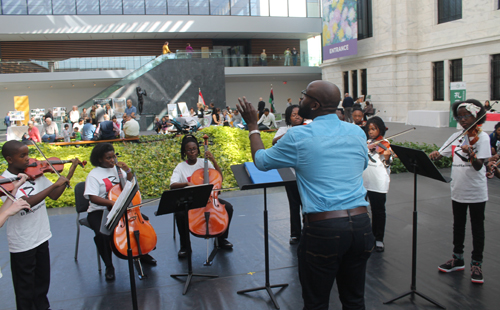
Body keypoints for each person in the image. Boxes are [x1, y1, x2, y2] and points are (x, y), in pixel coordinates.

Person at [237, 80, 373, 309]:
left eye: (304, 96)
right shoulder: (356, 132)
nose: (301, 100)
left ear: (316, 104)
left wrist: (252, 126)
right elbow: (360, 166)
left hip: (324, 230)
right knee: (354, 301)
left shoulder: (298, 136)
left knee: (316, 303)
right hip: (361, 225)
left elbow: (261, 161)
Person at [1, 140, 78, 310]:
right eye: (22, 156)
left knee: (42, 281)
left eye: (28, 154)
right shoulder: (5, 183)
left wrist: (70, 172)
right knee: (25, 288)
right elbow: (25, 203)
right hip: (22, 242)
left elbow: (55, 195)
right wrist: (53, 186)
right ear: (10, 159)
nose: (28, 159)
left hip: (41, 235)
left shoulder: (36, 174)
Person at [429, 99, 489, 284]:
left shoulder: (483, 137)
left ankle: (476, 264)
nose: (462, 119)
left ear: (476, 116)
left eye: (467, 115)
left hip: (476, 191)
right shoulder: (456, 136)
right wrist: (436, 155)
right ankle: (458, 259)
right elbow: (442, 152)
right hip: (458, 190)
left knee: (477, 229)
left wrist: (472, 154)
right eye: (460, 116)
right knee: (458, 226)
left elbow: (480, 167)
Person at [84, 143, 157, 282]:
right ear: (100, 159)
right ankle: (109, 266)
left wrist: (127, 170)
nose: (112, 160)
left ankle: (142, 253)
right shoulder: (93, 175)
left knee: (142, 223)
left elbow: (129, 184)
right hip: (100, 211)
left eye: (113, 157)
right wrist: (112, 203)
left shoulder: (117, 170)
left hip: (123, 210)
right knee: (102, 234)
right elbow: (93, 197)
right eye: (108, 158)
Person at [170, 135, 234, 258]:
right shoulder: (181, 167)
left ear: (198, 150)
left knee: (229, 208)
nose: (192, 151)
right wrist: (186, 183)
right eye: (189, 149)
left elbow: (218, 178)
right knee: (180, 214)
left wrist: (214, 161)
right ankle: (185, 246)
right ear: (184, 151)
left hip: (209, 199)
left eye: (194, 148)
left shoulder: (205, 163)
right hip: (191, 200)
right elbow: (173, 185)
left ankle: (221, 239)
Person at [272, 105, 304, 244]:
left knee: (308, 203)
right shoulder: (284, 129)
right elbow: (274, 142)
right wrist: (289, 134)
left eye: (299, 114)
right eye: (293, 114)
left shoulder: (307, 128)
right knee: (294, 204)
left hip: (305, 172)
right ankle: (295, 233)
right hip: (289, 172)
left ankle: (309, 230)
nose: (297, 116)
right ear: (288, 117)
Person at [363, 117, 392, 252]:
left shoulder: (385, 144)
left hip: (378, 182)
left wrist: (386, 157)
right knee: (362, 212)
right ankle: (364, 237)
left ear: (380, 129)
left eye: (373, 129)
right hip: (364, 182)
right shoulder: (365, 143)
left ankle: (378, 238)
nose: (371, 132)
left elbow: (388, 164)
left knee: (378, 211)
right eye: (369, 129)